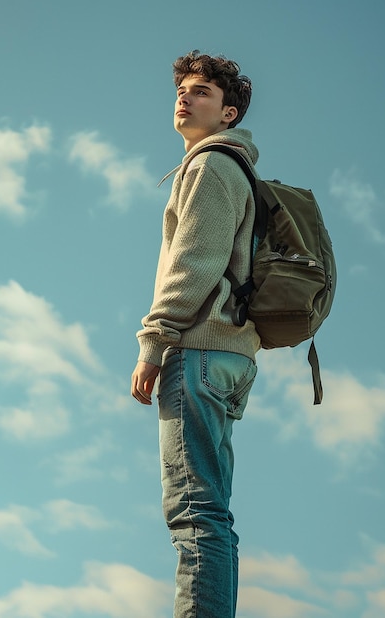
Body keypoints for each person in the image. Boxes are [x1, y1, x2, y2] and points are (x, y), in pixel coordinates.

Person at [131, 50, 260, 618]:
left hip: (200, 350)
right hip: (230, 358)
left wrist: (153, 344)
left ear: (229, 113)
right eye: (182, 89)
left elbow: (194, 264)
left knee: (194, 512)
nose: (185, 97)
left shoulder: (211, 166)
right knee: (211, 511)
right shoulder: (234, 169)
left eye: (202, 91)